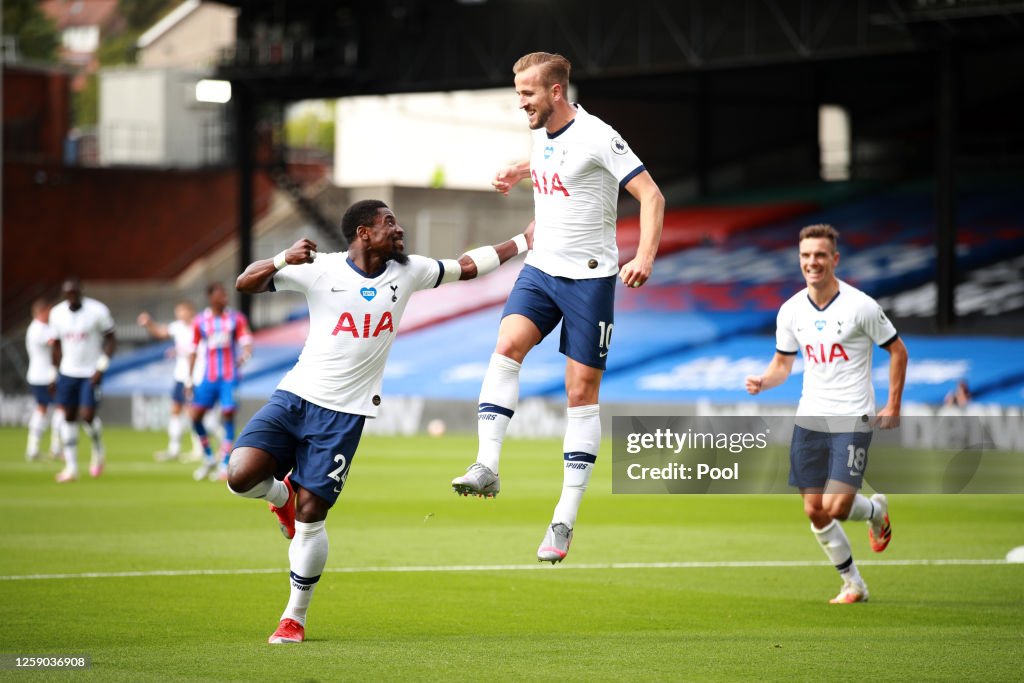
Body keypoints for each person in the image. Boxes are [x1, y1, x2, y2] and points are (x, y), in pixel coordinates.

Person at [228, 199, 530, 644]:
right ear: (363, 233)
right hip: (294, 396)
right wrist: (280, 259)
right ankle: (280, 496)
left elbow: (467, 266)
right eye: (389, 223)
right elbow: (245, 283)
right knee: (240, 475)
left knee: (313, 516)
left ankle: (294, 617)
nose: (399, 229)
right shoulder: (320, 269)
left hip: (344, 414)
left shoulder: (409, 271)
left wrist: (524, 240)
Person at [449, 51, 665, 564]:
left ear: (555, 93)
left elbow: (651, 195)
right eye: (518, 92)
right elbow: (553, 158)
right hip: (542, 270)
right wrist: (520, 170)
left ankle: (564, 518)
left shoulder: (600, 135)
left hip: (590, 279)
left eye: (527, 93)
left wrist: (645, 257)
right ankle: (486, 465)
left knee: (579, 392)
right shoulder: (539, 131)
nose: (520, 101)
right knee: (506, 347)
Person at [744, 224, 909, 604]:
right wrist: (763, 382)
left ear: (835, 259)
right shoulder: (791, 311)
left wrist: (893, 403)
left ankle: (874, 512)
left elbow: (898, 351)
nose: (812, 262)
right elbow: (783, 365)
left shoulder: (861, 306)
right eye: (805, 256)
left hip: (852, 416)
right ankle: (853, 584)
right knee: (814, 510)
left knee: (836, 505)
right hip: (810, 417)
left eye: (819, 255)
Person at [49, 277, 116, 482]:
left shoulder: (97, 311)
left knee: (87, 415)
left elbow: (112, 339)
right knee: (68, 416)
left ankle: (98, 449)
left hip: (91, 371)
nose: (72, 297)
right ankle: (72, 467)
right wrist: (55, 373)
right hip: (68, 372)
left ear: (80, 292)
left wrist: (101, 367)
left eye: (75, 292)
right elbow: (57, 345)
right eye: (68, 293)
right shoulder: (57, 313)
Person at [188, 283, 253, 481]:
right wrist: (189, 380)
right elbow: (193, 350)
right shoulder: (200, 321)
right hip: (208, 377)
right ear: (210, 298)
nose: (224, 298)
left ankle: (225, 462)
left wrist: (245, 355)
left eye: (225, 294)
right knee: (195, 417)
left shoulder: (236, 319)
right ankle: (208, 456)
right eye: (220, 295)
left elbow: (247, 342)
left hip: (229, 376)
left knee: (228, 413)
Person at [137, 301, 200, 461]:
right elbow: (160, 333)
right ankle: (174, 449)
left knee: (193, 413)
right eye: (177, 311)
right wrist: (149, 323)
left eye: (182, 311)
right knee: (175, 410)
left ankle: (199, 448)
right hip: (180, 375)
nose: (179, 315)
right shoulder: (178, 327)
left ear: (190, 311)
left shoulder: (200, 325)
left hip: (195, 376)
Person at [24, 298, 63, 461]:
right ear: (42, 312)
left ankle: (33, 448)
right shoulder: (38, 329)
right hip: (45, 376)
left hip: (39, 375)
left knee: (42, 408)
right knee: (61, 407)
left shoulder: (37, 328)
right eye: (48, 311)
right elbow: (55, 342)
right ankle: (56, 448)